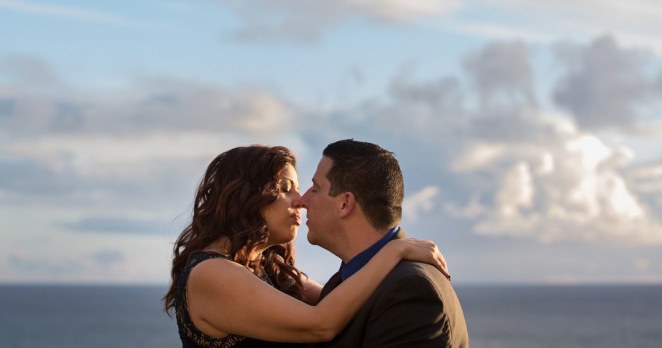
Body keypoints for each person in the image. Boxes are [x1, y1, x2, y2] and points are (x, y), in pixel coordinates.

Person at [164, 144, 451, 347]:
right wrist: (394, 250)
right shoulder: (211, 273)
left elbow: (341, 297)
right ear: (245, 194)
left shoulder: (267, 268)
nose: (300, 200)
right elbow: (321, 323)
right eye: (285, 189)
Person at [297, 139, 469, 347]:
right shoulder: (352, 279)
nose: (303, 201)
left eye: (315, 189)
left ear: (345, 204)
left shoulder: (410, 291)